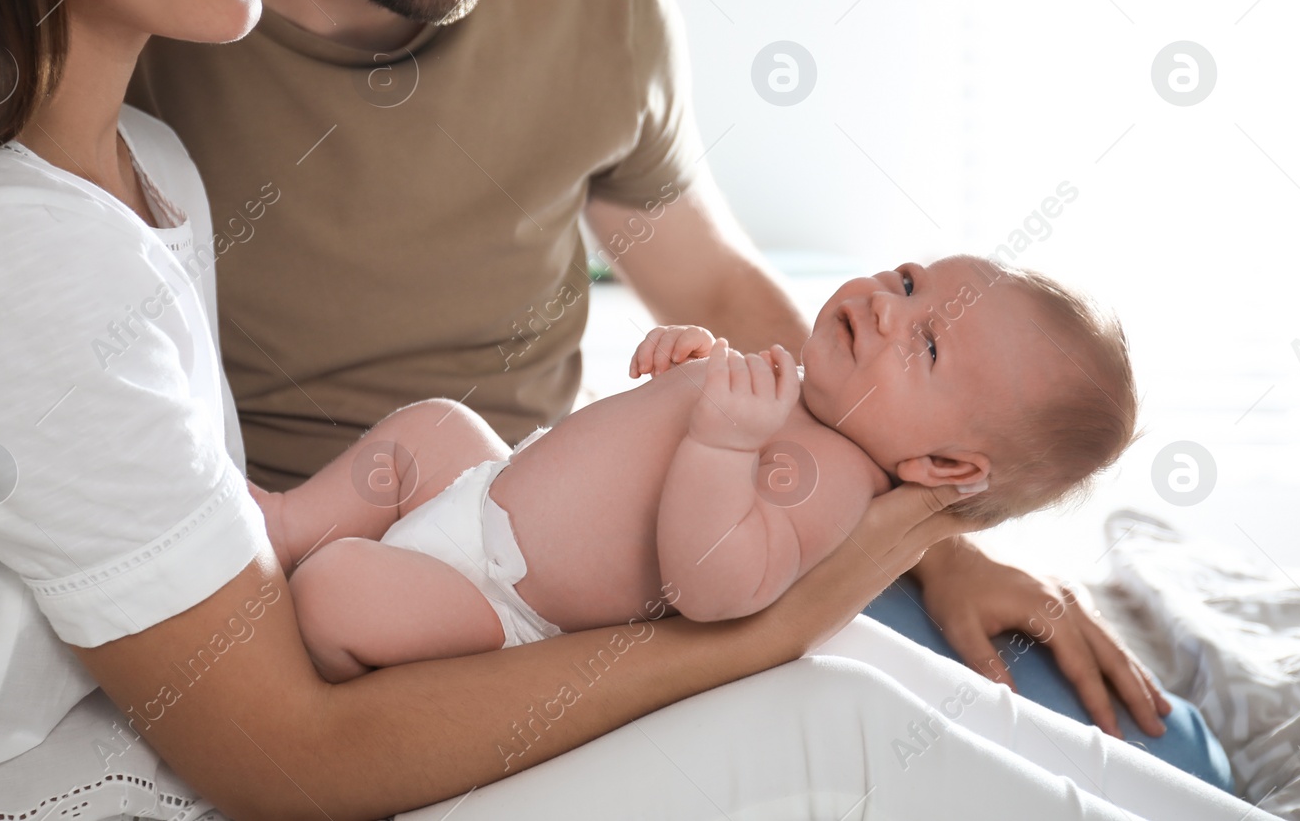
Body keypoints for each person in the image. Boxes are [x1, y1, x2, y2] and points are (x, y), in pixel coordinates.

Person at [0, 0, 1270, 819]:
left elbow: (727, 288)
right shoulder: (40, 200)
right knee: (826, 720)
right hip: (246, 685)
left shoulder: (146, 170)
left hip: (507, 548)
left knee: (1004, 713)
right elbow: (276, 734)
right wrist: (763, 625)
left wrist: (927, 530)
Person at [259, 256, 1139, 679]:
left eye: (928, 344)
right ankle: (284, 521)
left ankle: (342, 645)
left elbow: (715, 586)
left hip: (505, 605)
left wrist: (718, 442)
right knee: (436, 427)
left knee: (339, 590)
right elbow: (631, 447)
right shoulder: (792, 392)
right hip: (488, 491)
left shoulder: (835, 489)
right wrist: (690, 365)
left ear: (943, 462)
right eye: (908, 284)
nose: (881, 310)